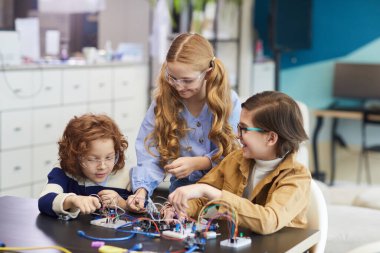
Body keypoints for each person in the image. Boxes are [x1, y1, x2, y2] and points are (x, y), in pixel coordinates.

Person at [165, 91, 311, 235]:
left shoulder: (297, 176)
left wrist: (208, 191)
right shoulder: (236, 159)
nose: (237, 135)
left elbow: (268, 221)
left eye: (244, 129)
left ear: (271, 138)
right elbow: (201, 201)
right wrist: (179, 208)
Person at [128, 33, 241, 212]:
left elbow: (235, 154)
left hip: (221, 196)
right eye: (172, 77)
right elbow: (150, 153)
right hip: (180, 198)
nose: (179, 86)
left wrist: (200, 162)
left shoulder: (229, 102)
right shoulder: (162, 102)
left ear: (208, 72)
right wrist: (141, 191)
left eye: (187, 80)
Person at [38, 114, 131, 219]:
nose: (102, 166)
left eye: (109, 158)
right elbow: (44, 201)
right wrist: (72, 200)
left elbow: (146, 209)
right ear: (75, 157)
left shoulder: (127, 177)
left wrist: (123, 204)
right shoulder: (63, 172)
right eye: (93, 159)